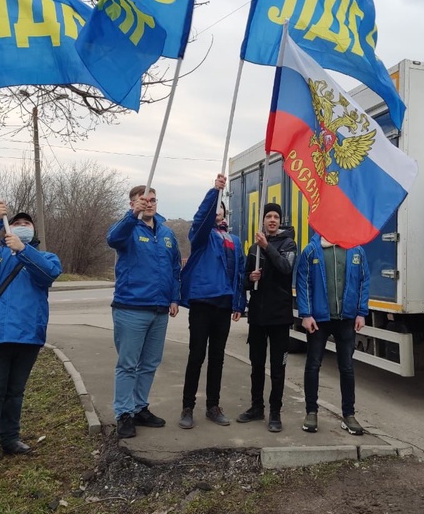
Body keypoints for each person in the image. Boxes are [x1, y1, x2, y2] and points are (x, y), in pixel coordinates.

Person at [0, 201, 61, 475]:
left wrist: (24, 250)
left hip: (29, 337)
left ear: (33, 232)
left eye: (26, 224)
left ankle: (9, 439)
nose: (21, 227)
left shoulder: (47, 257)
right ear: (9, 229)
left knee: (15, 392)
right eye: (17, 223)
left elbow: (48, 275)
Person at [107, 186, 181, 439]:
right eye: (143, 201)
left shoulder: (167, 233)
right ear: (133, 203)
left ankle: (139, 407)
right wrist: (131, 217)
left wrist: (174, 297)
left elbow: (174, 269)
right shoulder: (128, 229)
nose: (149, 204)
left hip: (159, 310)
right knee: (128, 364)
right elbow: (112, 239)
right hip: (131, 308)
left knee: (149, 364)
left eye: (152, 200)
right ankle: (124, 413)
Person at [179, 174, 245, 429]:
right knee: (196, 355)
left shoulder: (234, 240)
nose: (218, 213)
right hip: (202, 302)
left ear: (225, 215)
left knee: (217, 357)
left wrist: (238, 303)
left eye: (221, 209)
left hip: (224, 305)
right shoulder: (201, 234)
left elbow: (239, 272)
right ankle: (187, 407)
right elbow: (201, 219)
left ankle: (213, 406)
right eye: (215, 210)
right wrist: (214, 193)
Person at [296, 234, 370, 435]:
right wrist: (306, 314)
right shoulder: (311, 250)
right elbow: (303, 283)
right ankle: (311, 412)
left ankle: (349, 415)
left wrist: (362, 312)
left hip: (346, 319)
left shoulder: (356, 249)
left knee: (346, 367)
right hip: (318, 320)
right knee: (313, 365)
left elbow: (364, 282)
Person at [236, 203, 297, 433]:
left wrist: (267, 247)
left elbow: (285, 268)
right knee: (257, 365)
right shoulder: (254, 248)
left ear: (280, 221)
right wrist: (250, 278)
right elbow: (244, 280)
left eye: (276, 217)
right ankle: (256, 407)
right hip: (258, 316)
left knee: (277, 368)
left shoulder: (288, 244)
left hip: (280, 316)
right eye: (268, 216)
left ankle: (275, 412)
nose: (272, 220)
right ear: (263, 220)